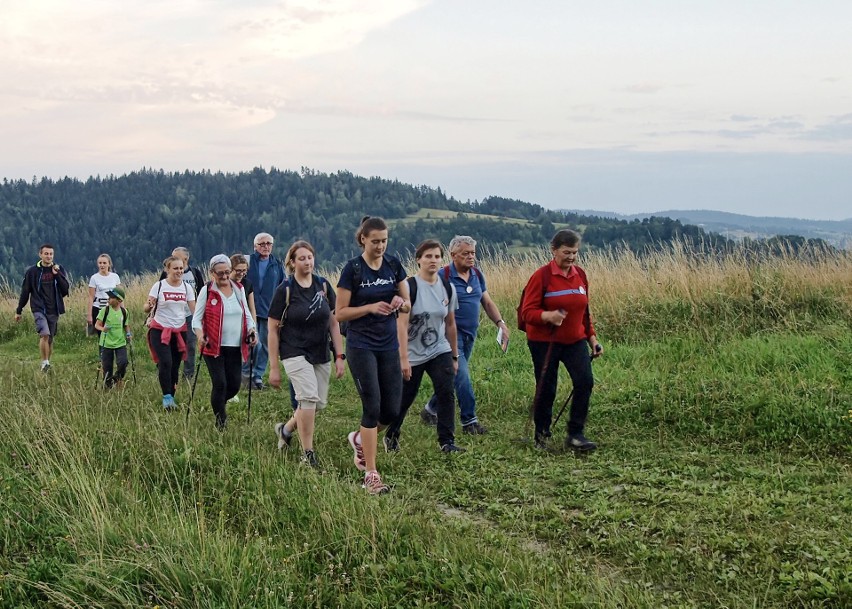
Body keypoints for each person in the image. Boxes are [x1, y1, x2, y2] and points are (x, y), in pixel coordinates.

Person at [336, 216, 410, 495]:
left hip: (388, 343)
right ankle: (371, 473)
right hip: (361, 344)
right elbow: (340, 312)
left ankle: (358, 438)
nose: (380, 246)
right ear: (363, 239)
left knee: (391, 410)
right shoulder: (353, 270)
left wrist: (400, 302)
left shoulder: (393, 265)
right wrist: (369, 308)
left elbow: (406, 305)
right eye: (375, 241)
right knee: (372, 406)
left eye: (384, 241)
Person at [519, 229, 603, 451]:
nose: (571, 257)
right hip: (544, 342)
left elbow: (584, 313)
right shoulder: (542, 276)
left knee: (585, 382)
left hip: (574, 340)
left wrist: (592, 339)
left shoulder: (581, 275)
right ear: (554, 250)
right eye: (567, 252)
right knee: (547, 387)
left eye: (575, 252)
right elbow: (528, 313)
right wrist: (548, 316)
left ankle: (576, 434)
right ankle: (541, 434)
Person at [421, 235, 510, 435]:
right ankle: (470, 421)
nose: (471, 257)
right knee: (462, 376)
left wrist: (501, 323)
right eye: (465, 254)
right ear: (453, 255)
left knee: (454, 376)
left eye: (473, 253)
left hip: (470, 334)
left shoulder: (477, 275)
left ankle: (430, 410)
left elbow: (486, 302)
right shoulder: (442, 277)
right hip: (448, 336)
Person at [268, 241, 345, 467]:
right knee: (308, 399)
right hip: (293, 351)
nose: (307, 262)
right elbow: (272, 329)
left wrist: (339, 355)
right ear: (292, 262)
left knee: (317, 404)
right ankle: (307, 454)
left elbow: (333, 322)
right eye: (301, 258)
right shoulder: (285, 289)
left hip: (320, 351)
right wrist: (274, 366)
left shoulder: (322, 285)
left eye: (310, 257)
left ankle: (286, 429)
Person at [386, 240, 464, 453]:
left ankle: (446, 441)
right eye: (428, 256)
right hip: (412, 352)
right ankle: (391, 434)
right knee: (404, 398)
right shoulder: (409, 287)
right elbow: (401, 325)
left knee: (446, 392)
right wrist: (403, 358)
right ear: (418, 259)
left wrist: (455, 356)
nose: (433, 260)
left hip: (439, 348)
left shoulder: (447, 288)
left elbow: (450, 324)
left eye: (437, 256)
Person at [192, 255, 256, 430]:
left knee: (234, 385)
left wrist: (252, 330)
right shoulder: (207, 290)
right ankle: (221, 422)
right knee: (220, 383)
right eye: (220, 273)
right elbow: (196, 320)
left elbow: (247, 315)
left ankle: (218, 402)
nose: (224, 276)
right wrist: (200, 336)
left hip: (235, 345)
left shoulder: (239, 289)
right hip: (213, 346)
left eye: (227, 272)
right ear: (212, 272)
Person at [146, 255, 197, 411]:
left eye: (181, 268)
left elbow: (194, 310)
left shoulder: (187, 288)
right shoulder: (159, 286)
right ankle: (166, 397)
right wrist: (148, 306)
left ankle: (171, 398)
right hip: (160, 329)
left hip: (179, 331)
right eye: (175, 268)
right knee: (166, 362)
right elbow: (146, 306)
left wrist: (201, 326)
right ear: (167, 269)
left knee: (175, 366)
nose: (179, 271)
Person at [15, 244, 70, 372]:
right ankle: (44, 363)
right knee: (44, 334)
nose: (49, 256)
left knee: (50, 338)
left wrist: (57, 275)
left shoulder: (58, 269)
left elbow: (65, 289)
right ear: (40, 255)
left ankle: (47, 363)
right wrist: (19, 310)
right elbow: (25, 291)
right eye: (46, 254)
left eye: (51, 254)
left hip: (54, 308)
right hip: (39, 308)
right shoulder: (32, 272)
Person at [244, 233, 286, 390]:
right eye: (262, 244)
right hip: (250, 310)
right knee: (252, 344)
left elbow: (283, 287)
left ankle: (258, 376)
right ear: (255, 246)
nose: (265, 246)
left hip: (269, 311)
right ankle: (245, 374)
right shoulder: (248, 261)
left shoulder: (277, 265)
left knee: (266, 346)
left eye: (269, 243)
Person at [159, 247, 205, 382]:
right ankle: (166, 371)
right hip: (169, 315)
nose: (172, 260)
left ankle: (188, 375)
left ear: (186, 259)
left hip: (189, 315)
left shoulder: (195, 273)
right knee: (167, 345)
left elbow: (202, 293)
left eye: (176, 257)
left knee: (190, 345)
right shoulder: (165, 274)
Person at [94, 286, 131, 388]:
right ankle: (107, 386)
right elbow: (97, 325)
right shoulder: (104, 310)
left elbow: (126, 325)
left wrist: (128, 334)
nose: (108, 299)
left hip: (120, 342)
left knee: (123, 362)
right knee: (107, 367)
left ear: (119, 300)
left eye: (111, 297)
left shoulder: (124, 312)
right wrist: (102, 329)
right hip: (106, 343)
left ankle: (116, 378)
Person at [87, 253, 121, 337]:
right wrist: (89, 315)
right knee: (102, 334)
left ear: (109, 264)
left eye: (104, 263)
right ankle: (102, 350)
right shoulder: (94, 278)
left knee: (114, 333)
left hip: (113, 308)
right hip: (99, 308)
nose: (102, 265)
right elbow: (91, 297)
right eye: (100, 263)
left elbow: (119, 295)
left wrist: (122, 310)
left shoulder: (115, 277)